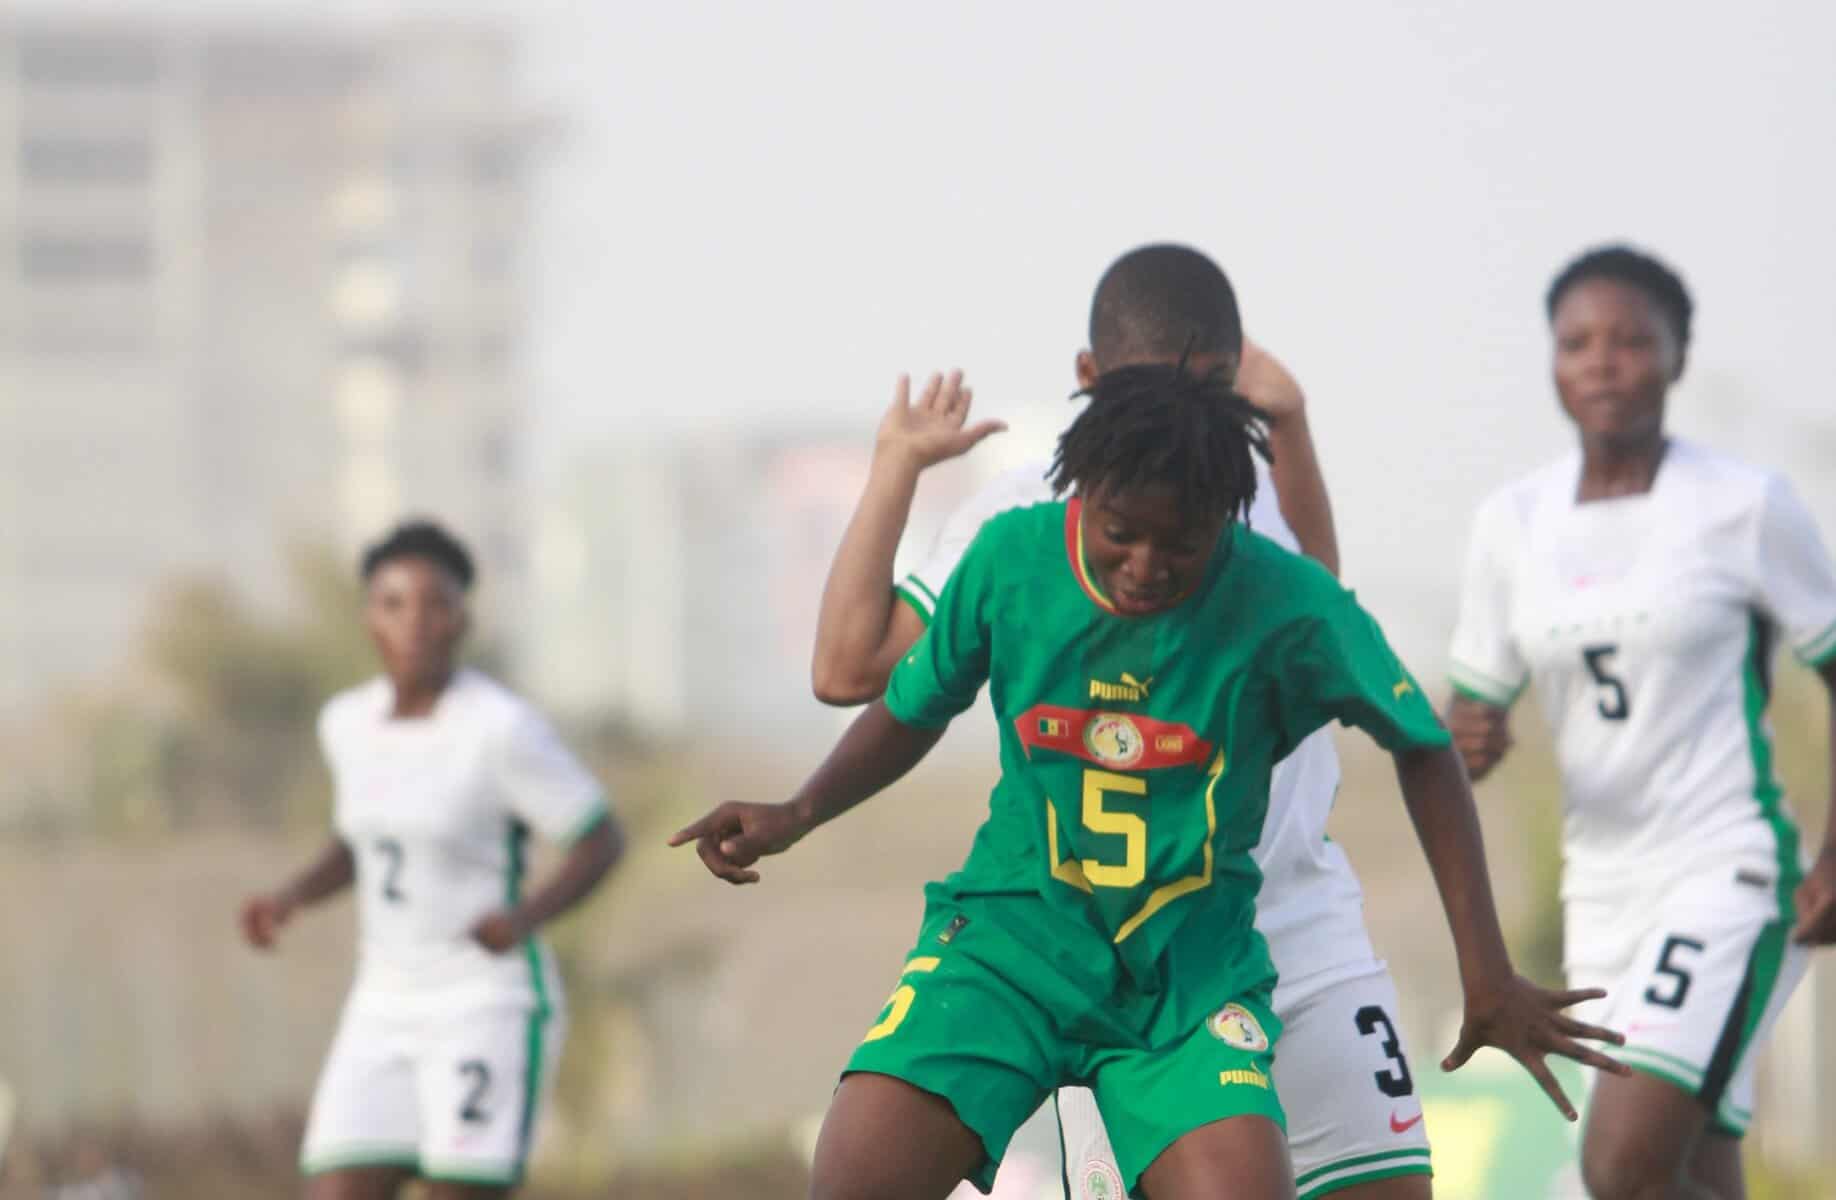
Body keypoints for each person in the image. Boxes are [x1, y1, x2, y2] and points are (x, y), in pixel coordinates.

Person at [674, 358, 1623, 1200]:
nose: (1145, 567)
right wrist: (799, 810)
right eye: (1122, 532)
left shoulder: (1285, 602)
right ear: (1082, 488)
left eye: (1182, 544)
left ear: (1229, 516)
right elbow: (908, 706)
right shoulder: (1010, 557)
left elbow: (1423, 744)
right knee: (854, 1180)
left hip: (1188, 979)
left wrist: (1486, 971)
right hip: (1011, 945)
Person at [811, 243, 1442, 1199]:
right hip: (1132, 958)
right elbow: (854, 668)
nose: (1186, 422)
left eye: (1215, 392)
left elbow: (1330, 611)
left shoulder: (1245, 482)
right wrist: (895, 467)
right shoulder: (1032, 517)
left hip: (1297, 922)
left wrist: (1296, 428)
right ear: (1088, 384)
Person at [1445, 245, 1836, 1200]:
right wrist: (1473, 738)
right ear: (1551, 362)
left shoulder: (1741, 506)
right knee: (1696, 1167)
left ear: (1678, 357)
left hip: (1724, 875)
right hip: (1603, 899)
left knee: (1618, 1167)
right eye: (1577, 342)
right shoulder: (1514, 522)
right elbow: (1471, 707)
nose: (1603, 361)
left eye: (1631, 340)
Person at [237, 520, 623, 1200]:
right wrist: (291, 896)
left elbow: (600, 839)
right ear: (369, 619)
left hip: (484, 1000)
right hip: (382, 1003)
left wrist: (523, 917)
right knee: (334, 1189)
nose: (415, 622)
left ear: (460, 619)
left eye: (435, 603)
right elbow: (360, 842)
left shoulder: (499, 728)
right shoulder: (346, 724)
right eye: (394, 603)